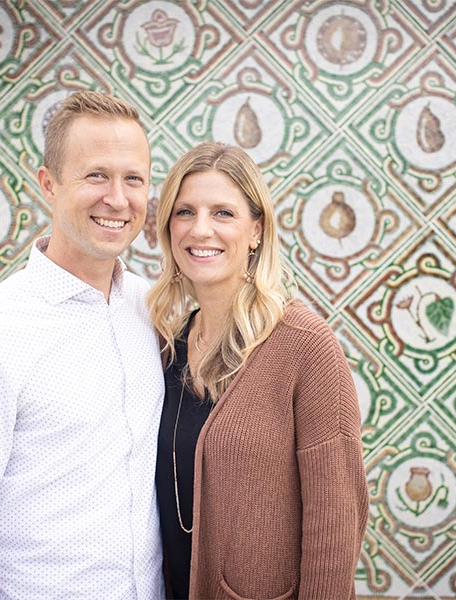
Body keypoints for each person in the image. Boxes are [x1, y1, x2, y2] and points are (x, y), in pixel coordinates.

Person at [0, 90, 165, 600]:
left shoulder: (155, 312)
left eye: (134, 179)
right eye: (96, 175)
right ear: (48, 185)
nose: (118, 199)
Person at [147, 142, 369, 599]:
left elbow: (337, 519)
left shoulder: (303, 344)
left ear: (256, 231)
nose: (200, 229)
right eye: (184, 212)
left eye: (223, 213)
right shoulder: (167, 345)